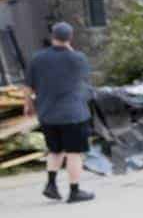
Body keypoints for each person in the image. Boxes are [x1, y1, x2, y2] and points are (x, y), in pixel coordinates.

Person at [24, 22, 95, 203]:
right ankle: (74, 191)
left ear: (52, 36)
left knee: (55, 150)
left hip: (47, 113)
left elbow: (28, 87)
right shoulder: (77, 59)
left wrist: (29, 105)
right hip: (73, 114)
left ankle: (51, 184)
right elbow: (84, 80)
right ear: (70, 38)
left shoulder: (37, 59)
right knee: (74, 153)